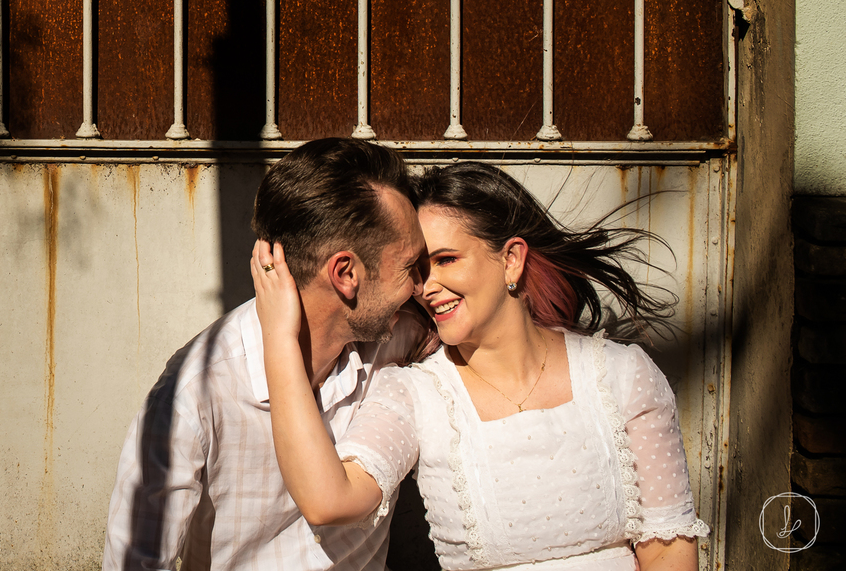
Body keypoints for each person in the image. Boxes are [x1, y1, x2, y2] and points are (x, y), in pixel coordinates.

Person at [253, 162, 709, 571]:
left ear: (511, 259)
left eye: (446, 260)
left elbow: (668, 552)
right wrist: (279, 338)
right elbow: (330, 501)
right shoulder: (415, 394)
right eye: (418, 268)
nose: (426, 287)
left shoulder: (623, 375)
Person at [103, 137, 433, 571]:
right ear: (345, 273)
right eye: (410, 267)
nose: (422, 286)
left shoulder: (402, 338)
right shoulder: (196, 392)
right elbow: (135, 561)